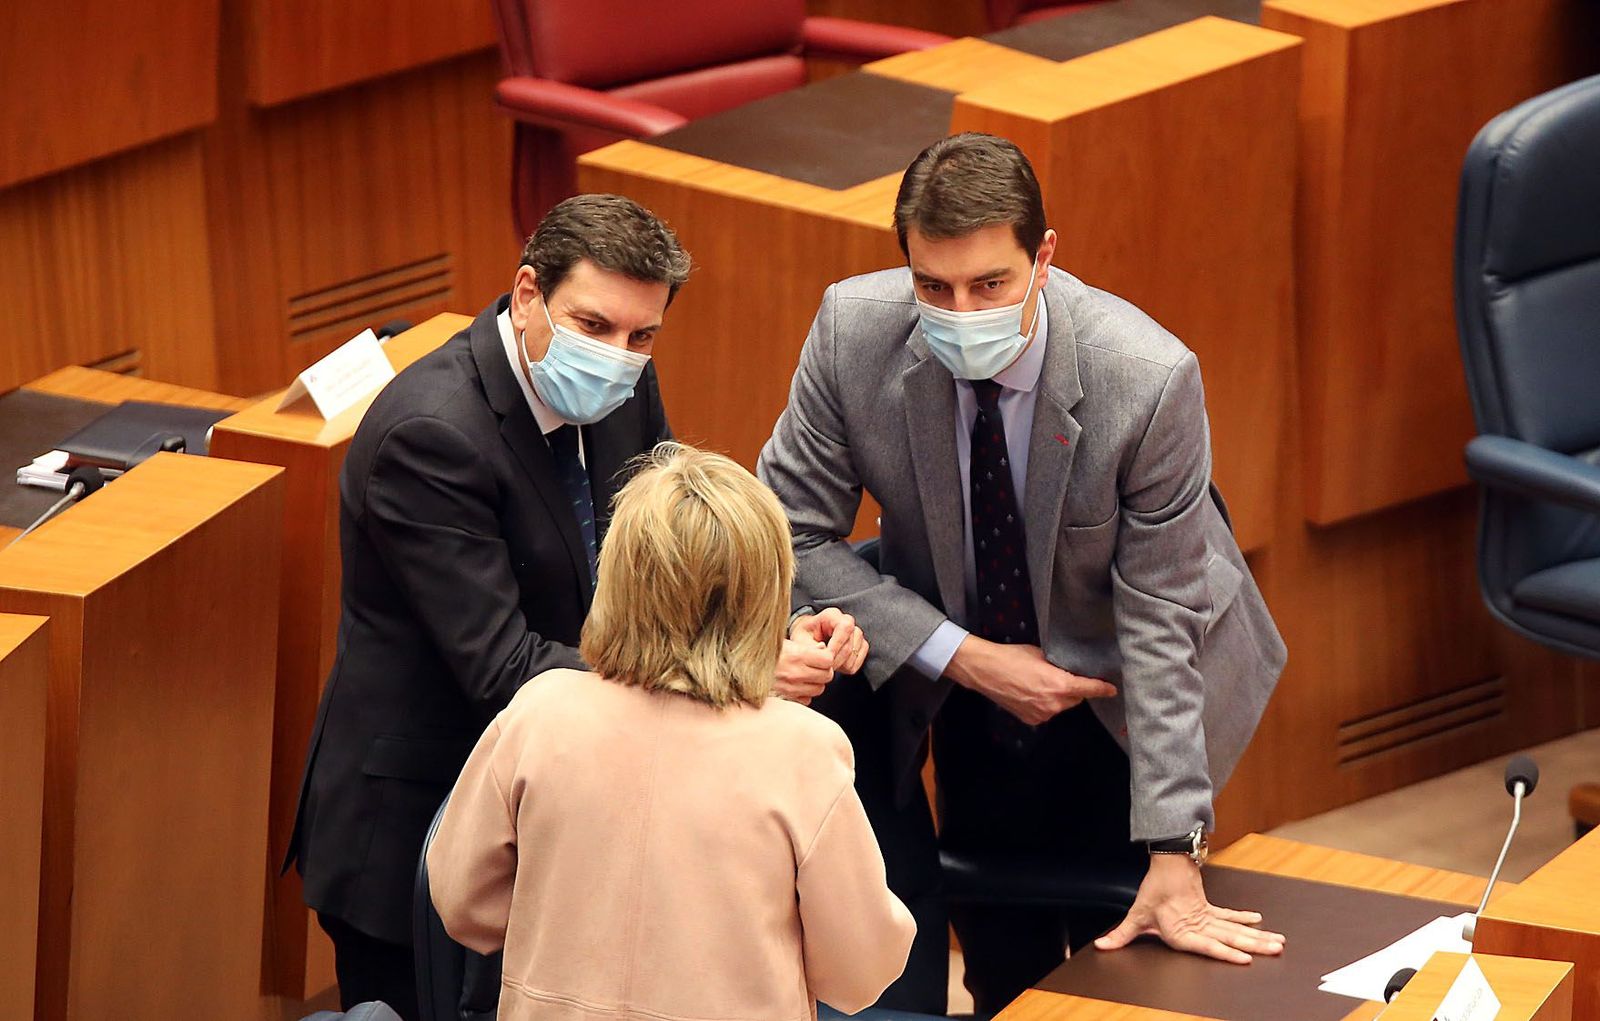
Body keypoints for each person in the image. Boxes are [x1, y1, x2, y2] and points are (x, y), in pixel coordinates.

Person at [286, 195, 866, 1017]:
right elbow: (504, 666)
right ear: (527, 295)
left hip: (566, 810)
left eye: (642, 336)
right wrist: (732, 674)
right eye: (593, 326)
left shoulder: (623, 382)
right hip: (418, 821)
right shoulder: (431, 435)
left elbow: (671, 566)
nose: (619, 355)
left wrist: (765, 629)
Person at [757, 132, 1290, 1017]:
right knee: (1004, 969)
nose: (961, 310)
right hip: (963, 682)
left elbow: (1161, 622)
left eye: (989, 284)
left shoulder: (1146, 378)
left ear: (1044, 257)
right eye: (934, 286)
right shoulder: (855, 333)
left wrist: (1173, 849)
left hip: (1128, 686)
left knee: (1134, 967)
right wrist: (963, 656)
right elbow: (786, 534)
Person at [427, 443, 916, 1021]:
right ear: (763, 592)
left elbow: (462, 903)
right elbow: (858, 971)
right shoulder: (802, 749)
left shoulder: (539, 711)